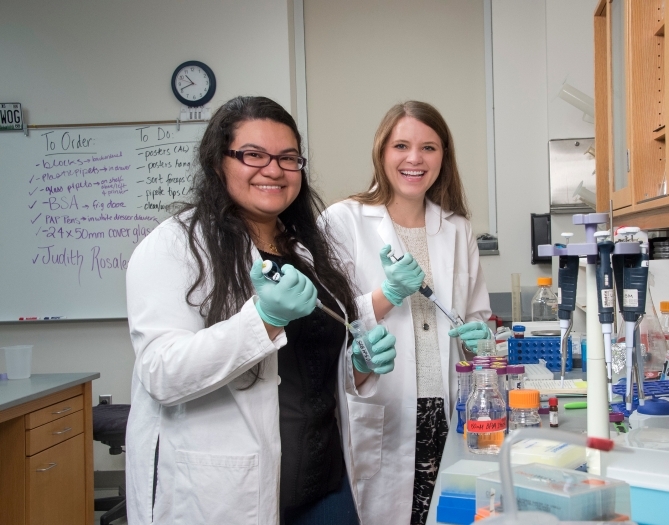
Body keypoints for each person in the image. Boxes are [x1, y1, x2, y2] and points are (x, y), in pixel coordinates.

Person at [125, 96, 396, 525]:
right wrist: (264, 321)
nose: (273, 170)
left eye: (288, 158)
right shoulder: (175, 246)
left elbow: (310, 370)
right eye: (253, 155)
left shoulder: (306, 250)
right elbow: (161, 373)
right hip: (227, 493)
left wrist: (357, 365)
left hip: (323, 482)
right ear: (218, 162)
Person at [320, 101, 492, 525]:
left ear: (443, 158)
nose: (415, 159)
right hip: (383, 406)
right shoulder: (343, 221)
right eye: (401, 145)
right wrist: (387, 294)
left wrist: (480, 337)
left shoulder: (457, 227)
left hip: (447, 408)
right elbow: (324, 319)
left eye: (429, 148)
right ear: (382, 153)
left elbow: (477, 316)